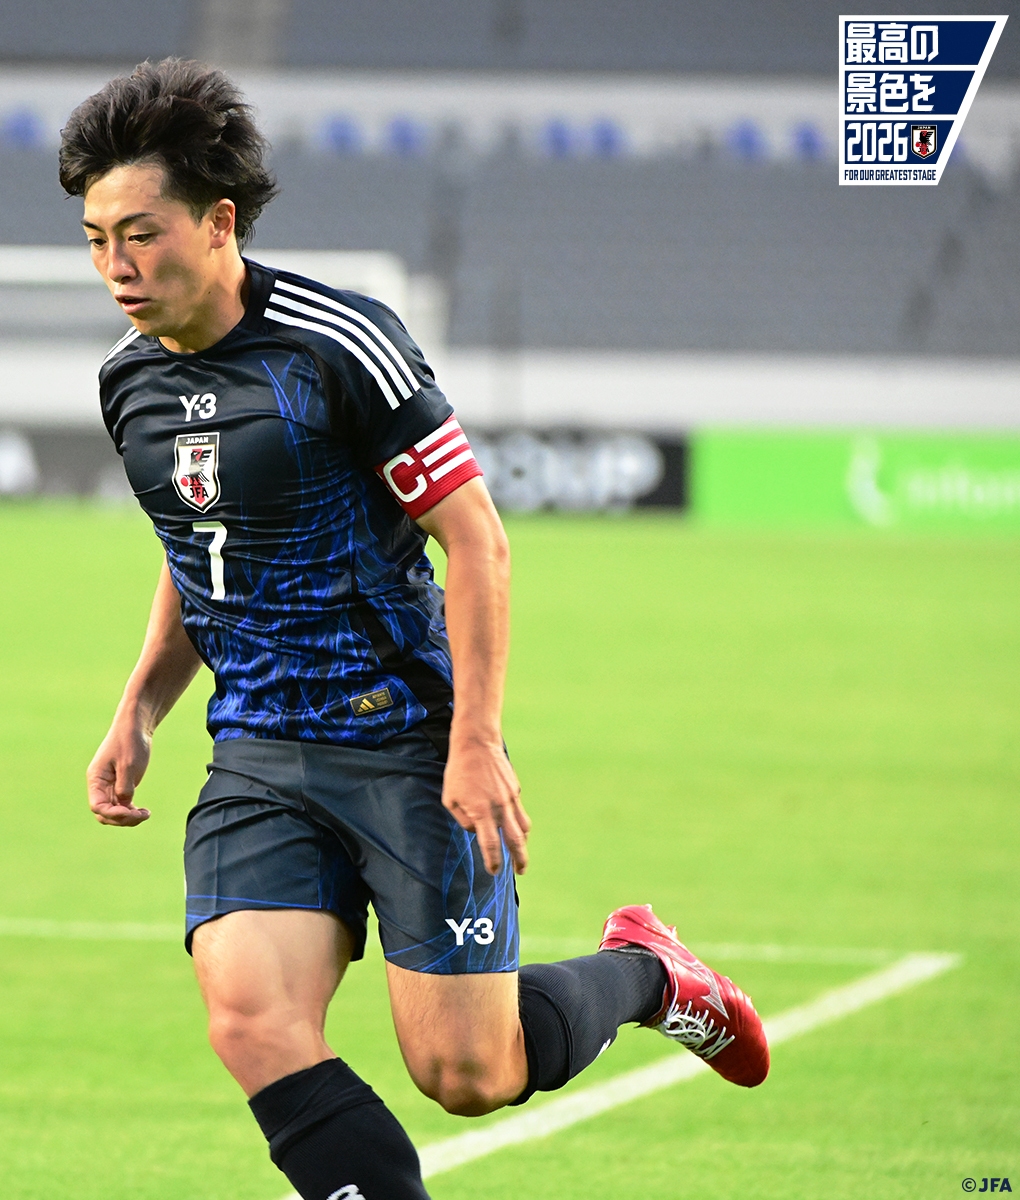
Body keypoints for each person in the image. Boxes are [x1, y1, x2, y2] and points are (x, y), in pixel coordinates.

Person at [68, 60, 768, 1200]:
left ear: (220, 222)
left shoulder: (338, 344)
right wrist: (141, 705)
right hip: (257, 750)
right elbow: (199, 541)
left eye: (141, 235)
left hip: (403, 737)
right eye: (97, 239)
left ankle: (647, 971)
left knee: (467, 1072)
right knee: (251, 1021)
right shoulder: (126, 383)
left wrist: (475, 740)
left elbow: (476, 540)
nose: (116, 266)